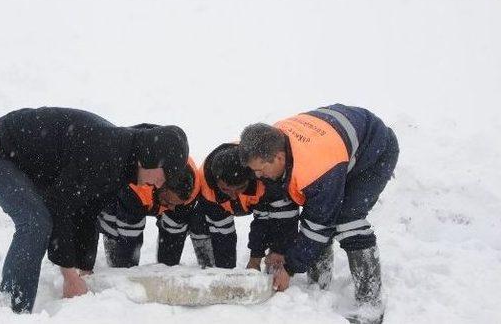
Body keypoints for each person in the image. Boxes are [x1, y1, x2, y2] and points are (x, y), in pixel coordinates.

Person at [0, 107, 188, 313]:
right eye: (162, 176)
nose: (159, 185)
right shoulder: (107, 152)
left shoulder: (123, 164)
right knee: (36, 222)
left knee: (46, 220)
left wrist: (84, 266)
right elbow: (60, 205)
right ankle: (12, 310)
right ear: (149, 157)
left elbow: (86, 212)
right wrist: (70, 275)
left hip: (30, 163)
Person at [238, 104, 398, 323]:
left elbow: (319, 225)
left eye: (260, 169)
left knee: (347, 220)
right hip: (338, 147)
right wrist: (278, 249)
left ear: (278, 158)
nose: (257, 176)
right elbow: (283, 207)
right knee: (319, 216)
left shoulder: (316, 169)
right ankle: (318, 286)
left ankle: (371, 304)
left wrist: (291, 268)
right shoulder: (270, 141)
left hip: (375, 151)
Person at [197, 143, 299, 269]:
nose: (233, 196)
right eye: (226, 189)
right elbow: (222, 233)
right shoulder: (206, 186)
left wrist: (256, 259)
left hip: (274, 205)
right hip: (216, 199)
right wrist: (225, 272)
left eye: (240, 188)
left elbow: (267, 222)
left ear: (251, 178)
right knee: (219, 247)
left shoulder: (265, 177)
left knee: (279, 236)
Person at [98, 158, 213, 268]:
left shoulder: (192, 190)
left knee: (175, 227)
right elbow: (129, 235)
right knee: (116, 226)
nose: (171, 208)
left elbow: (174, 230)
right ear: (159, 185)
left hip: (166, 192)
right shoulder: (135, 188)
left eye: (176, 204)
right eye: (168, 201)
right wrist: (126, 272)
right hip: (117, 194)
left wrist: (168, 268)